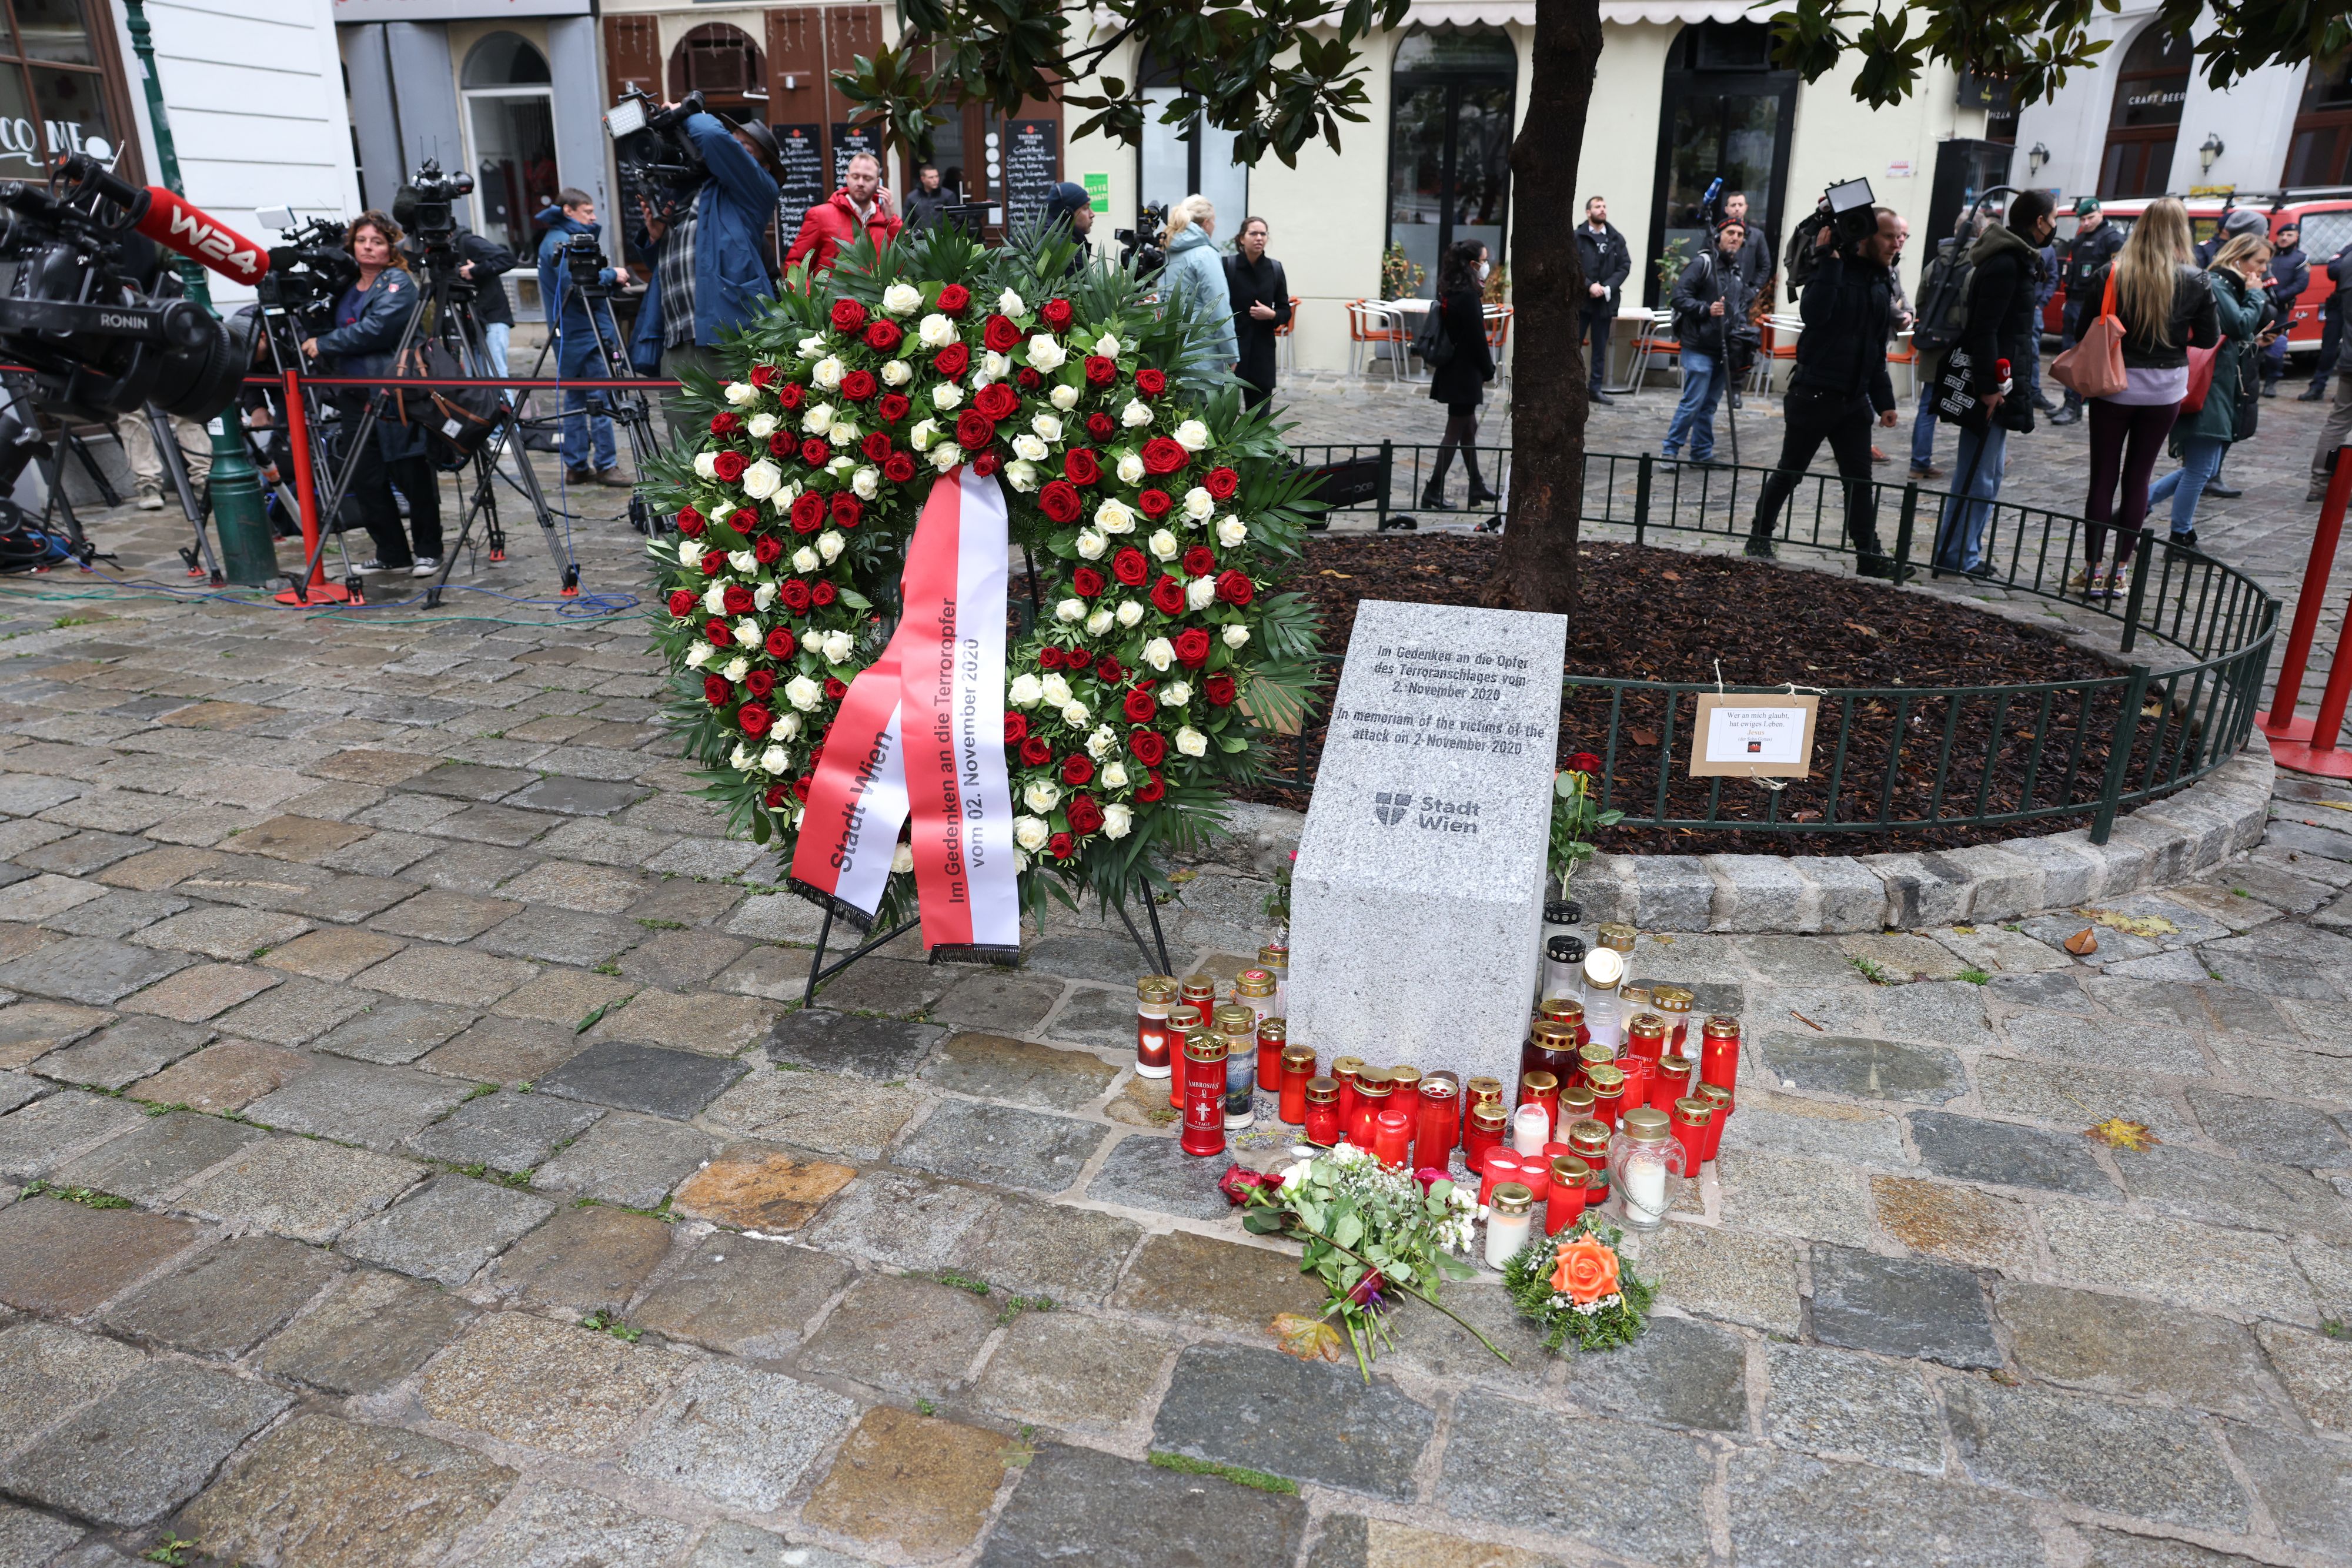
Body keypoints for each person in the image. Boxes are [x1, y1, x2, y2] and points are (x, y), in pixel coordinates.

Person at [1745, 208, 1903, 578]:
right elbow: (1815, 316)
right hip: (1814, 395)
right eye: (1889, 236)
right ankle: (1759, 536)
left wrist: (1885, 401)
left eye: (1900, 237)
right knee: (1790, 473)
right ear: (1864, 238)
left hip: (1855, 401)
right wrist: (1829, 261)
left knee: (1860, 483)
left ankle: (1869, 554)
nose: (1896, 243)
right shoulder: (1829, 271)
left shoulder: (1881, 281)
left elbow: (1876, 346)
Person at [2072, 198, 2217, 600]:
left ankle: (2092, 570)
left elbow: (2084, 328)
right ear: (2182, 231)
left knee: (2103, 477)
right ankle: (2120, 573)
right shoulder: (2196, 279)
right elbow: (2207, 339)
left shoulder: (2112, 273)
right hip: (2165, 387)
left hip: (2113, 383)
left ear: (2141, 227)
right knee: (2139, 478)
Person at [300, 210, 440, 577]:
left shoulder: (398, 282)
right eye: (362, 240)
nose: (368, 247)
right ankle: (392, 551)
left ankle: (429, 549)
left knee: (410, 470)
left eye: (377, 241)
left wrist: (326, 343)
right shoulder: (347, 285)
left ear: (390, 247)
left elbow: (376, 329)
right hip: (353, 391)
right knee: (366, 476)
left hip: (394, 390)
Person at [630, 106, 783, 442]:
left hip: (723, 343)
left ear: (762, 164)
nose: (732, 150)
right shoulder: (687, 194)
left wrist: (685, 112)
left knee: (736, 451)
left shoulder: (755, 192)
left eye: (744, 148)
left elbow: (713, 138)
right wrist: (655, 238)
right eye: (734, 143)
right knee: (687, 460)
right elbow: (679, 268)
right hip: (677, 342)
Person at [1930, 189, 2055, 578]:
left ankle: (1962, 552)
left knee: (1989, 472)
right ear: (2039, 221)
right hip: (1994, 382)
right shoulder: (2005, 263)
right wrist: (1988, 387)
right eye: (2052, 219)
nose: (2054, 227)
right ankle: (1957, 556)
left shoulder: (2014, 260)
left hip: (2002, 376)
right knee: (1979, 475)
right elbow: (1985, 330)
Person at [2146, 233, 2271, 549]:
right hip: (2208, 388)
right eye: (2259, 262)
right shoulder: (2218, 283)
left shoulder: (2228, 285)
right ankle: (2181, 535)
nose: (2264, 270)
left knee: (2205, 468)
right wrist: (2256, 297)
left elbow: (2235, 335)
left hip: (2218, 386)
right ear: (2239, 258)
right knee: (2201, 469)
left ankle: (2136, 508)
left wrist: (2255, 340)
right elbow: (2238, 324)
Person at [536, 189, 632, 488]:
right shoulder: (560, 243)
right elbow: (574, 284)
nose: (593, 218)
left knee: (575, 399)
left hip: (569, 333)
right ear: (569, 211)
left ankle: (576, 466)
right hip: (585, 334)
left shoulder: (555, 240)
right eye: (588, 212)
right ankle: (606, 465)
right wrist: (612, 276)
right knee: (598, 398)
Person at [1662, 219, 1751, 467]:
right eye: (1730, 233)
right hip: (1698, 345)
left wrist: (1741, 325)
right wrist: (1705, 309)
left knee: (1709, 405)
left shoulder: (1737, 271)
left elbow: (1737, 306)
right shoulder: (1703, 263)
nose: (1735, 237)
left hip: (1723, 347)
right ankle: (1670, 450)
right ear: (1719, 236)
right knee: (1693, 402)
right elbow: (1679, 298)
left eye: (1740, 234)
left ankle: (1701, 453)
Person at [1420, 238, 1497, 510]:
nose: (1488, 266)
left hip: (1457, 371)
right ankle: (1433, 490)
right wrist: (1489, 370)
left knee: (1468, 428)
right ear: (1473, 264)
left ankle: (1476, 485)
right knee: (1454, 431)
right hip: (1464, 374)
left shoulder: (1453, 290)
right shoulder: (1467, 295)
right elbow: (1478, 338)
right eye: (1485, 261)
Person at [2050, 196, 2125, 425]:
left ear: (2101, 214)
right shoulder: (2081, 238)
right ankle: (2069, 401)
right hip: (2074, 301)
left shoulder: (2113, 239)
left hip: (2093, 305)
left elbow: (2118, 275)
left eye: (2091, 217)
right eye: (2083, 219)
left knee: (2083, 355)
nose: (2087, 222)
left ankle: (2075, 405)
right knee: (2069, 353)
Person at [786, 150, 900, 275]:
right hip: (832, 294)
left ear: (878, 183)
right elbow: (795, 267)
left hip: (877, 295)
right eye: (856, 177)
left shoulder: (886, 220)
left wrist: (892, 220)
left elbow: (905, 264)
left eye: (867, 178)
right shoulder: (820, 216)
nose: (861, 183)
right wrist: (813, 294)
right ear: (847, 178)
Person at [1158, 194, 1237, 376]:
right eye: (1214, 221)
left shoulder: (1168, 251)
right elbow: (1218, 308)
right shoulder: (1205, 255)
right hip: (1203, 354)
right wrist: (1232, 354)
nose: (1215, 226)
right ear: (1207, 223)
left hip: (1171, 350)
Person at [1224, 215, 1290, 412]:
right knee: (1224, 421)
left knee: (1259, 423)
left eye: (1263, 234)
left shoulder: (1275, 269)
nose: (1259, 238)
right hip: (1233, 354)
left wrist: (1271, 315)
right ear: (1242, 238)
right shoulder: (1228, 266)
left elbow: (1285, 311)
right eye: (1253, 233)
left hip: (1263, 356)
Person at [1575, 196, 1631, 403]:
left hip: (1605, 302)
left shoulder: (1616, 238)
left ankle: (1595, 389)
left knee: (1600, 348)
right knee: (1574, 345)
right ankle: (1573, 387)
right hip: (1581, 301)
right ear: (1588, 212)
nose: (1602, 209)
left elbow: (1624, 266)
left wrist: (1607, 288)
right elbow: (1573, 265)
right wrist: (1589, 285)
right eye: (1598, 207)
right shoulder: (1577, 237)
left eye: (1604, 206)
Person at [2298, 238, 2352, 400]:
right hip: (2340, 304)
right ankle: (2318, 386)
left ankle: (2345, 392)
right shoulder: (2348, 249)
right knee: (2329, 348)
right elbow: (2332, 270)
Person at [2259, 220, 2308, 397]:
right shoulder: (2269, 253)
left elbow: (2301, 283)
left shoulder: (2300, 258)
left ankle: (2271, 382)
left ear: (2297, 238)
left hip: (2280, 308)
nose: (2284, 238)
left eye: (2289, 235)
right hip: (2260, 305)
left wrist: (2280, 297)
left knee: (2276, 344)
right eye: (2282, 235)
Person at [2029, 229, 2060, 414]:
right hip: (2019, 308)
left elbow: (2053, 278)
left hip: (2035, 309)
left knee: (2033, 352)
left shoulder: (2048, 249)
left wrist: (2041, 304)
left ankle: (2033, 391)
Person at [1720, 191, 1775, 293]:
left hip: (1743, 293)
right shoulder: (1717, 234)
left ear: (1746, 207)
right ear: (1726, 209)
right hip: (1720, 292)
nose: (1737, 208)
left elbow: (1765, 266)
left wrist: (1753, 290)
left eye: (1740, 205)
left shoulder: (1757, 236)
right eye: (1733, 205)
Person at [903, 162, 954, 231]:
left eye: (937, 176)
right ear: (923, 179)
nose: (935, 180)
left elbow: (954, 220)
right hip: (919, 239)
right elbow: (906, 222)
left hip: (942, 239)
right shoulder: (912, 198)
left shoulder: (948, 195)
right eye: (931, 177)